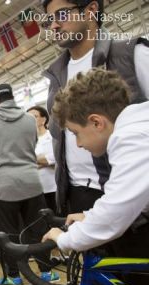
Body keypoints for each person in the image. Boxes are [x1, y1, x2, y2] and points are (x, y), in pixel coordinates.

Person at [43, 68, 149, 285]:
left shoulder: (129, 137)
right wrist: (89, 215)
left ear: (97, 122)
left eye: (75, 134)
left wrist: (65, 240)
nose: (77, 143)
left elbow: (114, 218)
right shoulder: (139, 121)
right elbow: (128, 196)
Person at [42, 0, 149, 216]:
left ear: (91, 9)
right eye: (49, 20)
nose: (53, 26)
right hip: (77, 195)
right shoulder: (55, 77)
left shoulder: (132, 55)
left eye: (61, 15)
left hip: (131, 196)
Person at [0, 84, 57, 285]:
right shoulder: (29, 120)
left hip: (3, 185)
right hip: (31, 181)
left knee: (9, 233)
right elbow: (32, 144)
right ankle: (46, 272)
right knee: (37, 229)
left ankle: (13, 276)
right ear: (13, 97)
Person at [27, 106, 57, 212]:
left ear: (43, 119)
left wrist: (32, 159)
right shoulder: (27, 141)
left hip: (53, 187)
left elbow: (55, 158)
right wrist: (43, 161)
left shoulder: (52, 137)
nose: (31, 120)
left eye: (34, 116)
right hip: (36, 190)